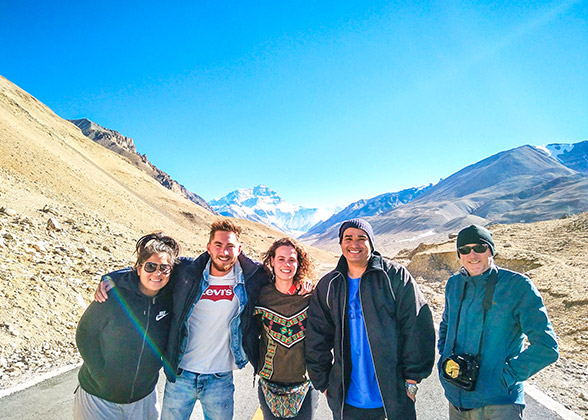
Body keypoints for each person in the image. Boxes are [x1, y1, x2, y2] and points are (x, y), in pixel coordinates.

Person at [95, 219, 271, 420]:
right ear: (208, 247)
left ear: (239, 248)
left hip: (220, 379)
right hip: (181, 375)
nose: (224, 252)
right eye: (218, 245)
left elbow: (282, 279)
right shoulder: (187, 270)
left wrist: (304, 283)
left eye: (230, 246)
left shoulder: (253, 277)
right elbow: (153, 269)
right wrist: (112, 278)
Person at [305, 218, 436, 420]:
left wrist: (412, 379)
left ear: (371, 243)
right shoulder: (330, 285)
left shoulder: (394, 276)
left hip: (394, 397)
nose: (354, 244)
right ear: (340, 243)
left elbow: (417, 327)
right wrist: (324, 384)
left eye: (361, 238)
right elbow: (316, 337)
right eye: (348, 238)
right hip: (347, 400)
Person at [438, 224, 559, 419]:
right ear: (459, 255)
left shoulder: (517, 286)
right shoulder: (454, 284)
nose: (472, 255)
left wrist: (504, 378)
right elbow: (445, 325)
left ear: (491, 250)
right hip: (456, 397)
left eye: (479, 248)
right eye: (464, 250)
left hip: (499, 405)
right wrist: (444, 358)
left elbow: (547, 347)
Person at [74, 232, 180, 420]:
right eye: (150, 266)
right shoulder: (113, 296)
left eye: (164, 268)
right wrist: (99, 373)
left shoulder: (170, 300)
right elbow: (85, 332)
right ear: (138, 269)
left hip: (144, 398)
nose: (157, 273)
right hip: (98, 398)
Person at [245, 238, 320, 420]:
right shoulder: (260, 296)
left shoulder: (312, 297)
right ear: (272, 261)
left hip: (305, 384)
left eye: (292, 260)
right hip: (269, 383)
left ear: (298, 263)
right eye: (281, 259)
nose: (286, 264)